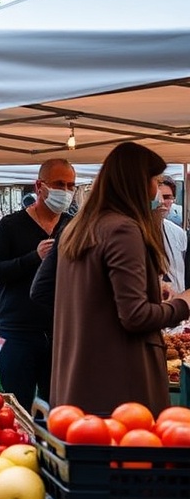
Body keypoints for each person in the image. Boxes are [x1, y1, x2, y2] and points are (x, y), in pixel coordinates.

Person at [52, 143, 190, 415]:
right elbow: (135, 316)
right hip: (119, 388)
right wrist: (184, 303)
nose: (157, 192)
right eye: (154, 180)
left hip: (81, 380)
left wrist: (151, 287)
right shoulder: (123, 229)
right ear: (136, 183)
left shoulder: (80, 228)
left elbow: (97, 295)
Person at [0, 158, 75, 412]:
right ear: (39, 186)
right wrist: (33, 257)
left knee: (57, 410)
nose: (66, 192)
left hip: (60, 331)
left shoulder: (73, 226)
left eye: (71, 185)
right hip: (17, 332)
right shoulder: (11, 225)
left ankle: (49, 453)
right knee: (18, 408)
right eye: (59, 184)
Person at [158, 176, 187, 293]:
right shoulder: (135, 232)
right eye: (157, 198)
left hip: (177, 300)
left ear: (173, 199)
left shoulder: (178, 233)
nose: (161, 202)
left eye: (166, 197)